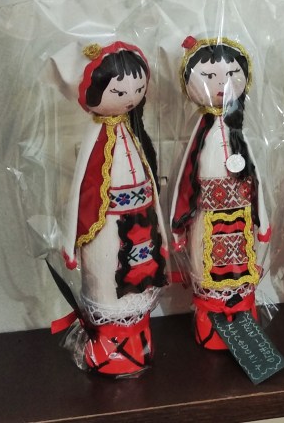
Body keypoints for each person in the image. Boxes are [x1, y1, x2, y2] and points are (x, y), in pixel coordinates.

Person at [52, 41, 167, 375]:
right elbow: (79, 192)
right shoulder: (95, 137)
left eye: (138, 89)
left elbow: (149, 183)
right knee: (107, 285)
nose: (131, 97)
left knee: (140, 284)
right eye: (119, 91)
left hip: (141, 226)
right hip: (105, 231)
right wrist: (69, 243)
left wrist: (160, 225)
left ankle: (139, 344)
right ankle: (108, 351)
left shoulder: (132, 133)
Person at [171, 36, 270, 350]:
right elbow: (185, 179)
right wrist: (177, 225)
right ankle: (211, 329)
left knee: (241, 274)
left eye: (229, 75)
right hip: (206, 219)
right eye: (209, 76)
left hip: (241, 219)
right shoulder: (201, 133)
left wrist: (263, 220)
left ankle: (243, 328)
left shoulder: (237, 132)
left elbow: (255, 178)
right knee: (206, 271)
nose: (220, 83)